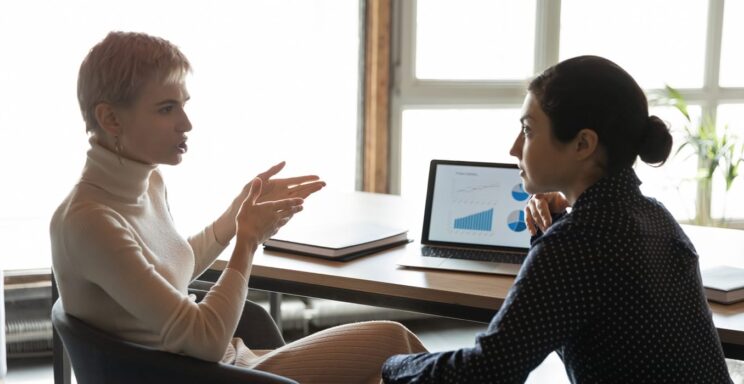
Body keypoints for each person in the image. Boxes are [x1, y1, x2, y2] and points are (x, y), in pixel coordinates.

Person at [51, 31, 426, 384]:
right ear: (110, 118)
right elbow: (204, 339)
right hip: (205, 373)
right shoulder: (90, 222)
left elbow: (166, 272)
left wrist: (232, 219)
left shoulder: (148, 183)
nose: (187, 123)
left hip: (227, 361)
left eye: (183, 105)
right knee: (393, 341)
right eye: (167, 109)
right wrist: (247, 242)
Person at [382, 55, 732, 383]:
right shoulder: (656, 218)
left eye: (529, 130)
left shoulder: (578, 242)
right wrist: (553, 227)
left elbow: (489, 371)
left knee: (384, 349)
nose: (514, 148)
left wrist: (390, 367)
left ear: (583, 144)